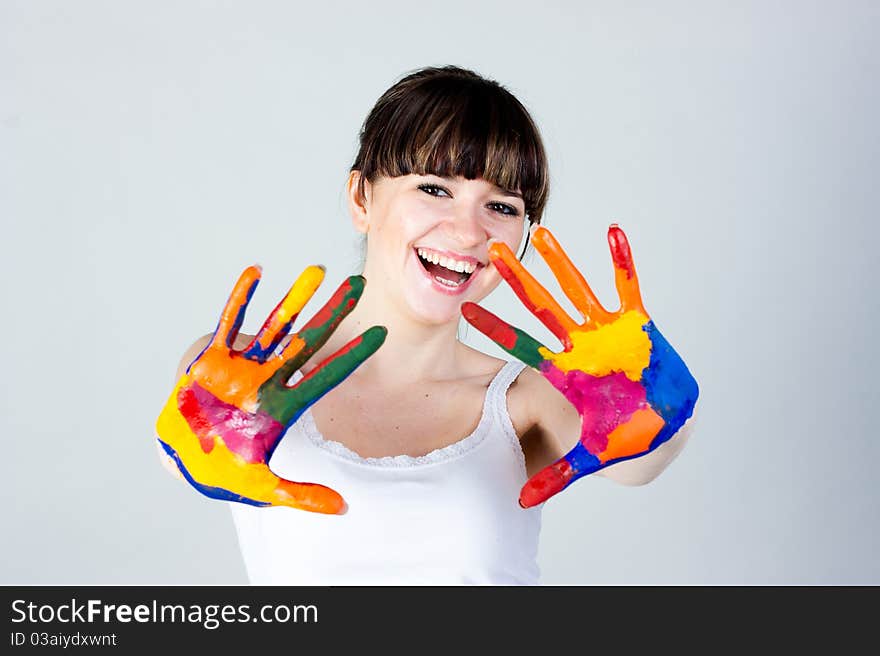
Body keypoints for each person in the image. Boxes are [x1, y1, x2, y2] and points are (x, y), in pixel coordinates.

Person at [155, 65, 699, 585]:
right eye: (435, 189)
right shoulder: (242, 381)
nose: (467, 232)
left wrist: (659, 405)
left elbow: (640, 466)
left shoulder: (528, 399)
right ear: (361, 197)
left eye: (502, 208)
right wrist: (192, 433)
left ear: (524, 239)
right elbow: (182, 458)